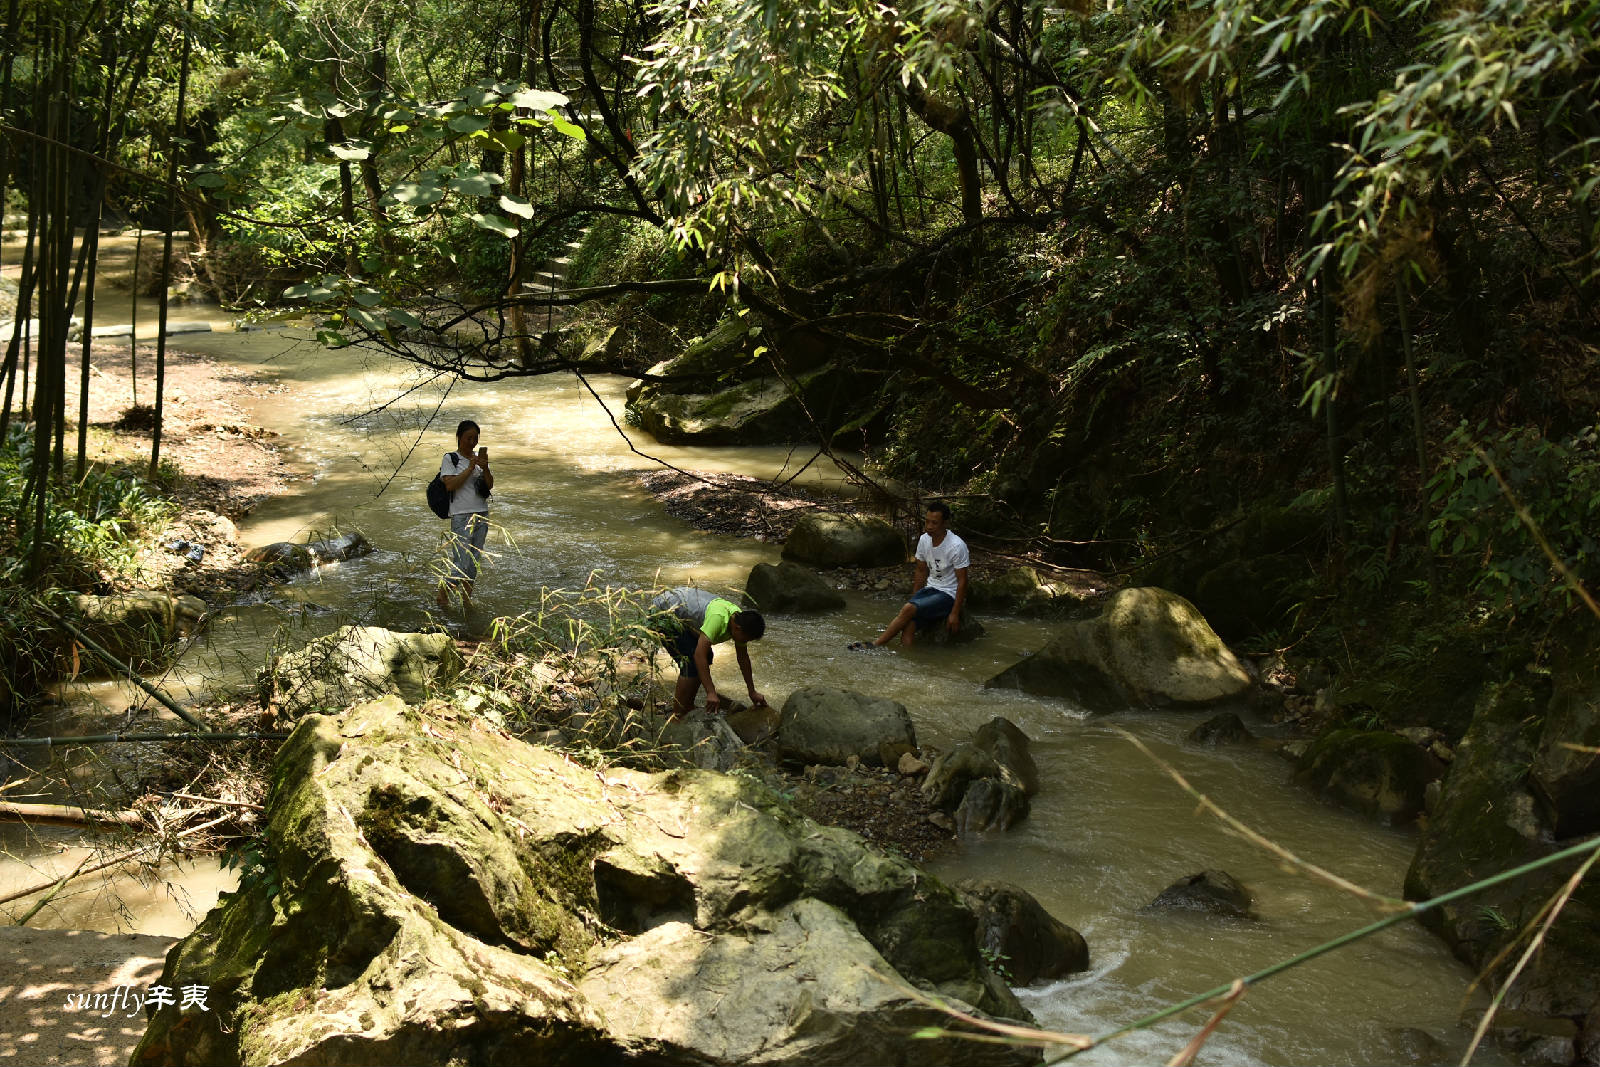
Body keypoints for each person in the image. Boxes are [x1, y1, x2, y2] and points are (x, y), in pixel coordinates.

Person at [860, 501, 969, 649]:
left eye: (934, 523)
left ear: (945, 523)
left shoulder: (956, 546)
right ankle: (910, 661)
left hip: (948, 594)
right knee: (908, 625)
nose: (929, 526)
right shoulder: (924, 540)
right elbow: (921, 571)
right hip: (930, 590)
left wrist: (954, 614)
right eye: (927, 521)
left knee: (907, 610)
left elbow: (962, 581)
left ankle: (876, 644)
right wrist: (916, 600)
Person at [649, 586, 767, 716]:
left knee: (707, 656)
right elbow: (699, 655)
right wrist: (711, 692)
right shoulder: (718, 620)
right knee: (690, 663)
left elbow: (743, 658)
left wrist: (752, 691)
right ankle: (678, 714)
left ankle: (687, 705)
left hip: (680, 611)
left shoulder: (739, 621)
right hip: (662, 612)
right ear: (738, 628)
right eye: (746, 639)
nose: (745, 642)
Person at [436, 420, 494, 607]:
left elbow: (490, 485)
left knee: (474, 562)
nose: (472, 442)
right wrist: (470, 468)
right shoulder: (450, 458)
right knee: (461, 563)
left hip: (482, 514)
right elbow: (450, 485)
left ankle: (467, 601)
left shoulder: (479, 459)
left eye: (475, 438)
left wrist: (484, 467)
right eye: (468, 438)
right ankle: (442, 596)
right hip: (461, 516)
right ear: (459, 437)